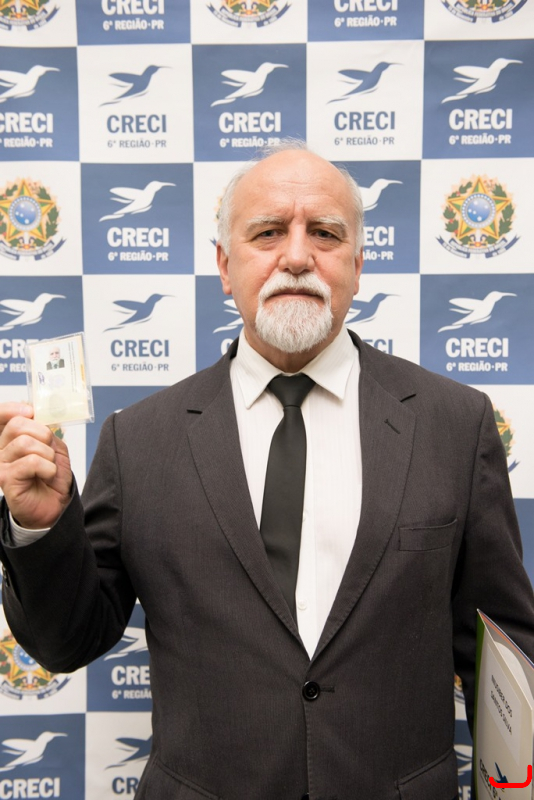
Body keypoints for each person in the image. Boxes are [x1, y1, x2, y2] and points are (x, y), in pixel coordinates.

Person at [0, 143, 533, 800]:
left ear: (358, 265)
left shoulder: (455, 424)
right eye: (268, 232)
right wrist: (39, 527)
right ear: (225, 266)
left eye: (326, 234)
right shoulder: (138, 441)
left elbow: (504, 659)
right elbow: (66, 641)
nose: (298, 256)